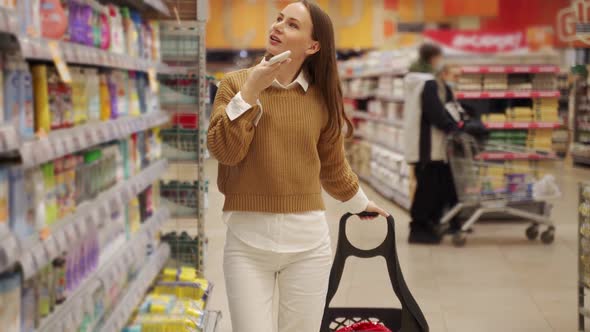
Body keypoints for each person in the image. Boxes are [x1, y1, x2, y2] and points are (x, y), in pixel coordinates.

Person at [207, 1, 388, 331]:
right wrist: (250, 92)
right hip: (246, 243)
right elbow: (225, 152)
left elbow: (332, 166)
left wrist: (360, 203)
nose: (277, 27)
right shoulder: (234, 84)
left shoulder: (323, 96)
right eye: (278, 19)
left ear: (313, 45)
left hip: (308, 245)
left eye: (291, 24)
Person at [403, 43, 460, 244]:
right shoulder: (427, 82)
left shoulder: (414, 78)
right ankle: (418, 229)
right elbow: (435, 113)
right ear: (433, 58)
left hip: (421, 143)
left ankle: (428, 225)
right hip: (427, 145)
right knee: (427, 188)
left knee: (430, 186)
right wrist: (452, 126)